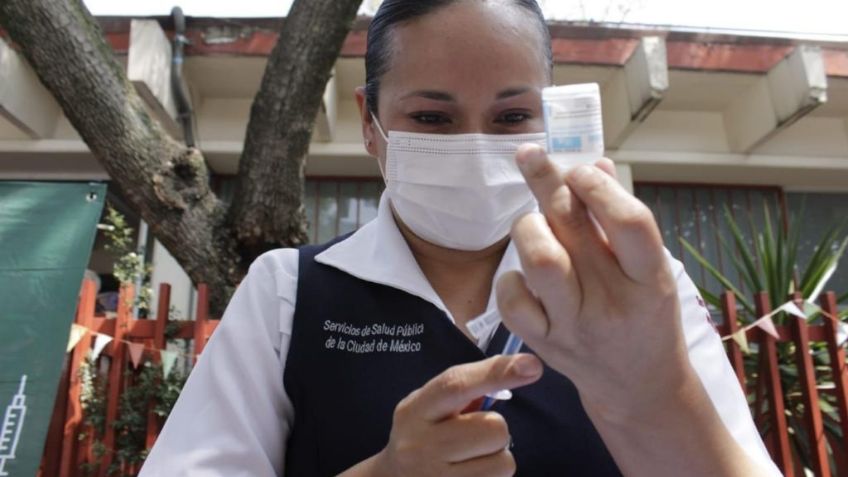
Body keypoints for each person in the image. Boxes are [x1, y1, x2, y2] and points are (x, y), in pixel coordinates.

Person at [140, 1, 782, 475]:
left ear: (551, 119)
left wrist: (655, 398)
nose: (475, 147)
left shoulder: (635, 283)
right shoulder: (287, 292)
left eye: (510, 116)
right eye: (431, 117)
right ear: (369, 122)